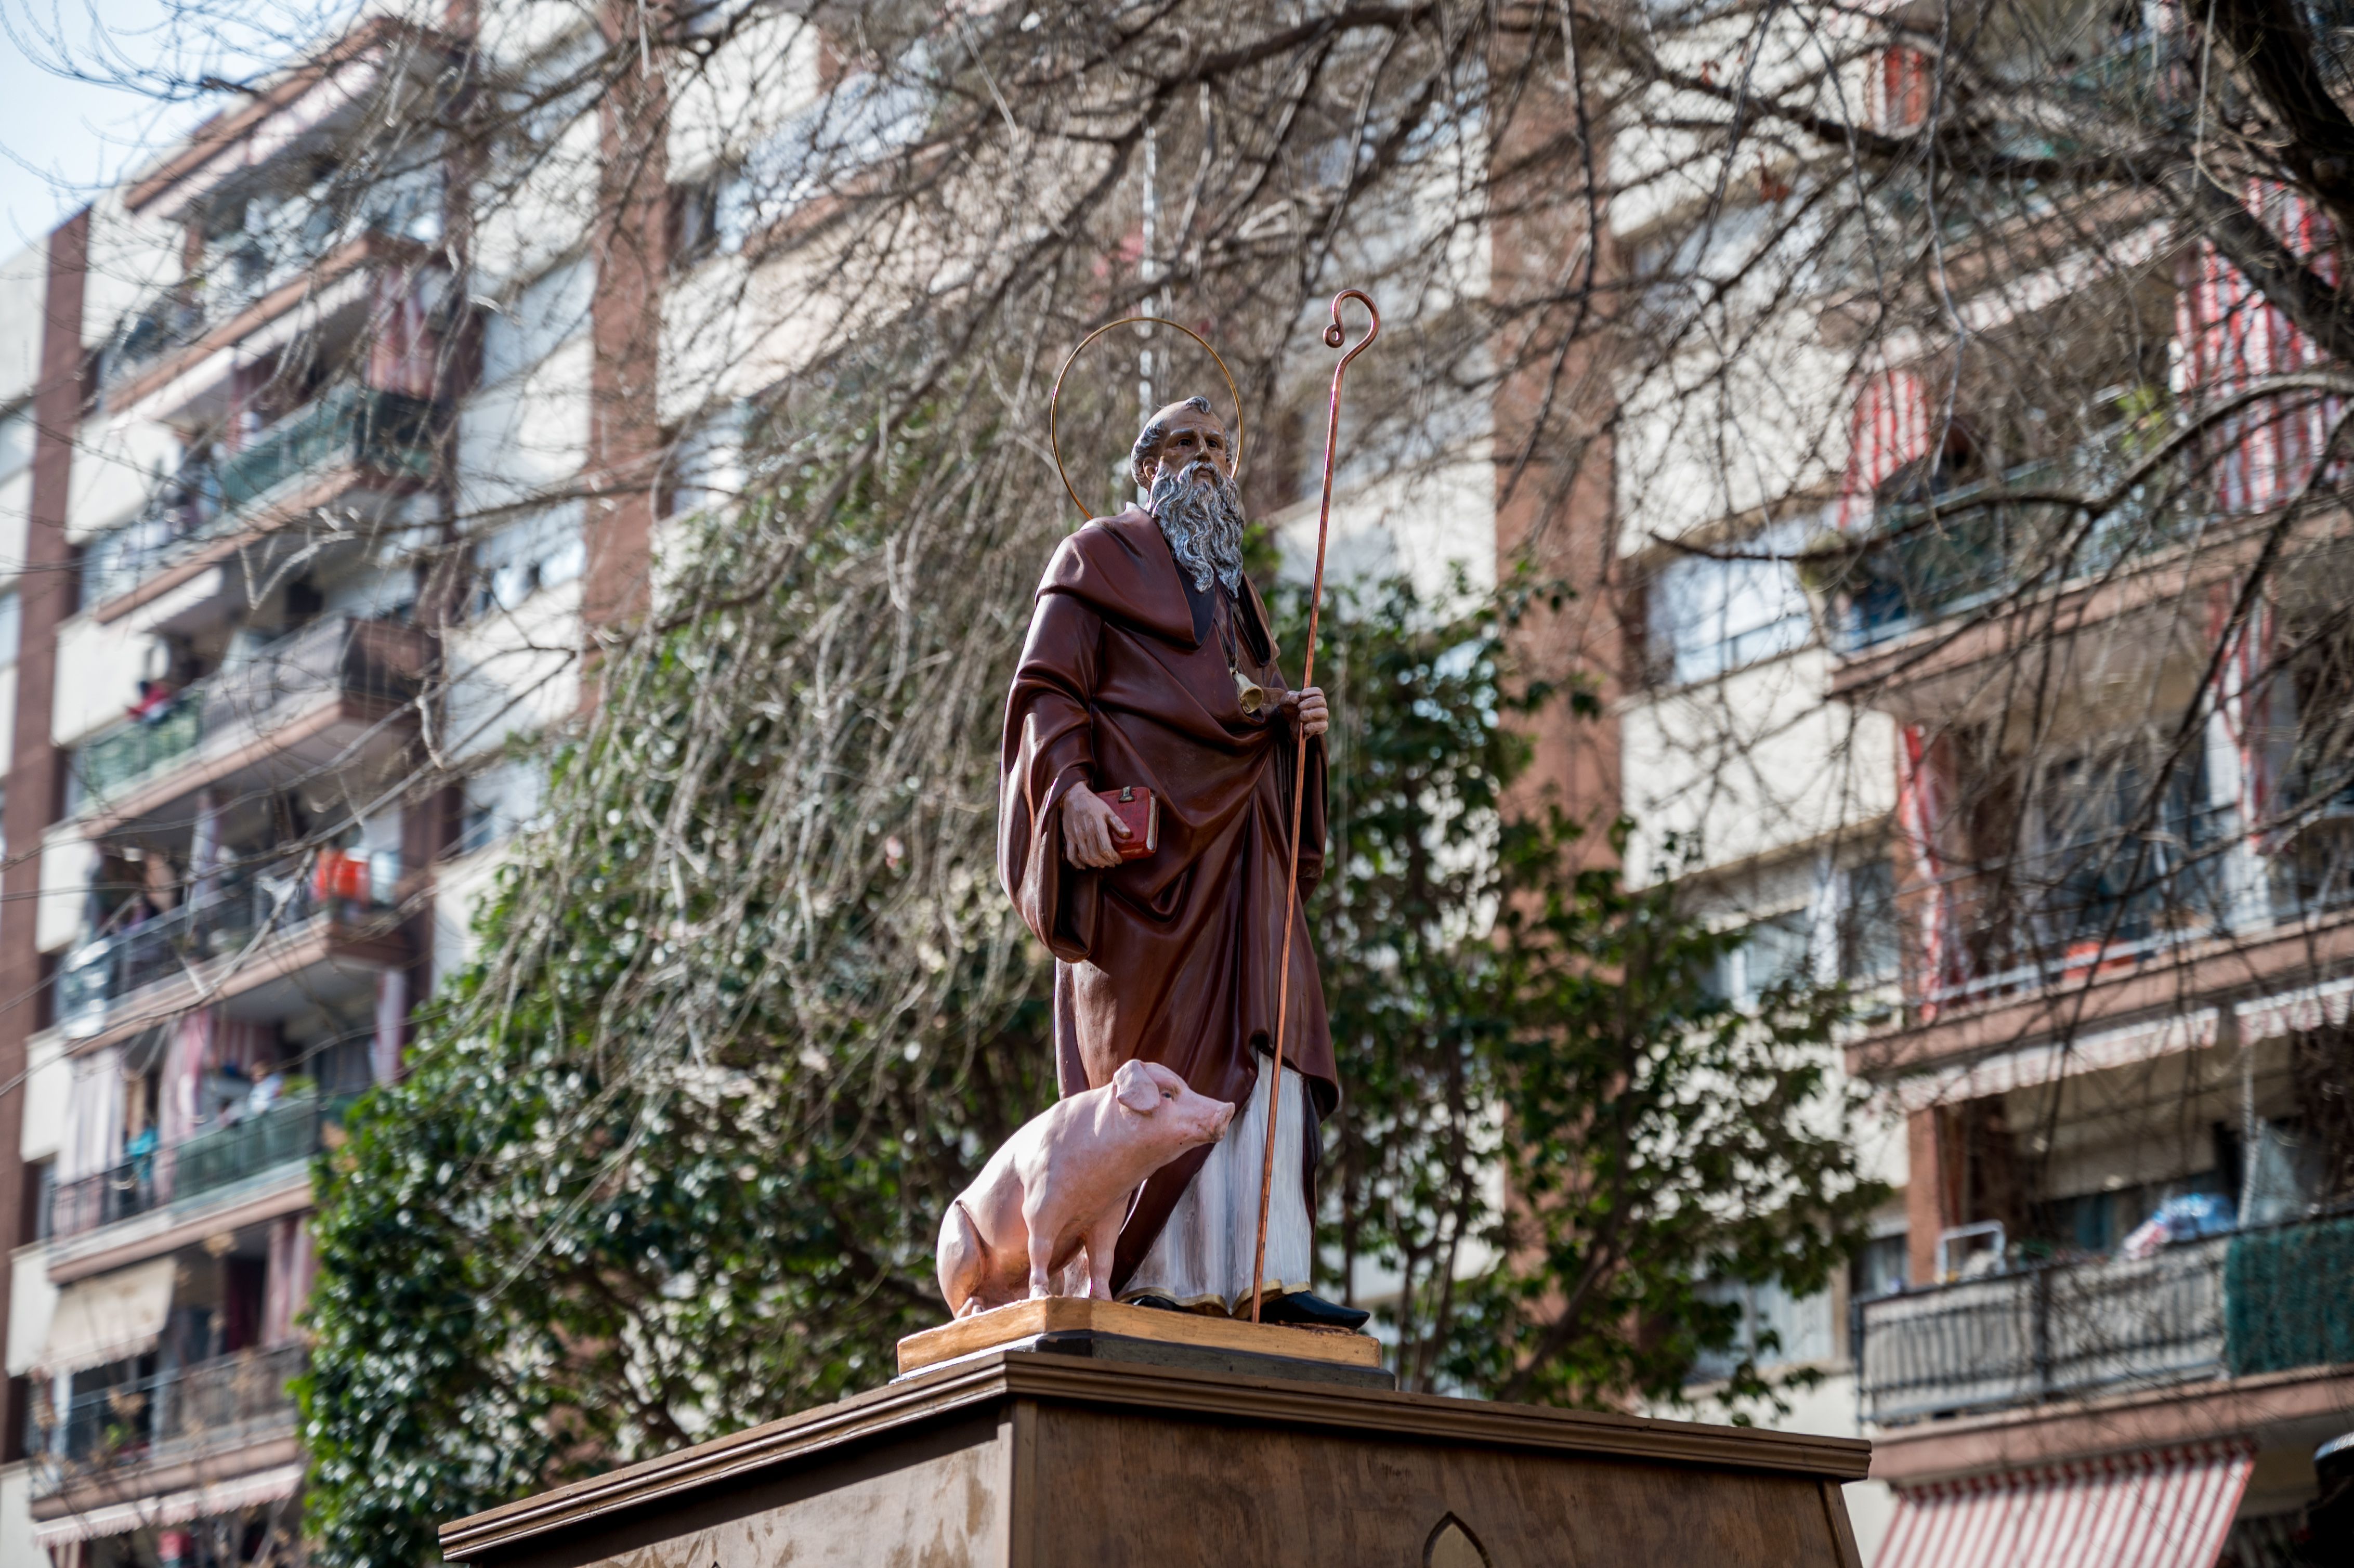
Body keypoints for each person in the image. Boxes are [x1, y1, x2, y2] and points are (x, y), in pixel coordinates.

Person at [998, 395, 1366, 1328]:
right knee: (1149, 1076)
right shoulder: (1094, 558)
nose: (1204, 459)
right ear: (1145, 470)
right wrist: (1069, 792)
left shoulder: (1235, 595)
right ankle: (1152, 1267)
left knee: (1266, 1044)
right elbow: (1046, 692)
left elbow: (1246, 711)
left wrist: (1296, 726)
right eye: (1182, 445)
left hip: (1242, 855)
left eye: (1216, 445)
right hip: (1145, 875)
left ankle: (1265, 1274)